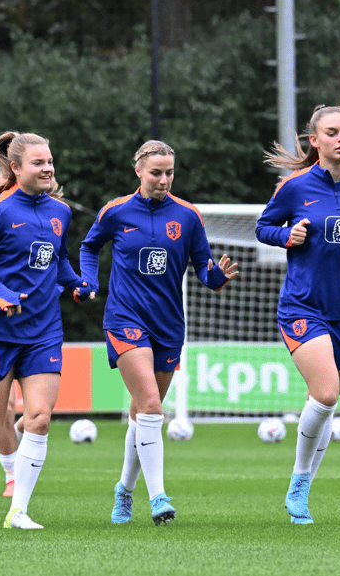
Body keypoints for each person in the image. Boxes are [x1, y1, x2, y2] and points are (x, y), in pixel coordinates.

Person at [78, 140, 237, 526]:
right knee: (151, 405)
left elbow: (204, 267)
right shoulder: (116, 211)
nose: (163, 179)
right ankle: (159, 497)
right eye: (156, 172)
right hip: (125, 319)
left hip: (168, 325)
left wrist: (218, 277)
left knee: (141, 414)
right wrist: (87, 279)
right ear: (139, 171)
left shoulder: (187, 216)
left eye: (169, 173)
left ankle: (124, 491)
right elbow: (88, 247)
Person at [0, 132, 92, 529]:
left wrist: (75, 283)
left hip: (44, 331)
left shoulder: (60, 212)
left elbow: (57, 262)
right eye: (38, 163)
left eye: (50, 162)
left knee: (40, 419)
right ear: (16, 168)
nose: (47, 169)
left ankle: (18, 511)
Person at [256, 105, 340, 524]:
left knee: (325, 404)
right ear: (316, 140)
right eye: (332, 132)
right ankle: (298, 483)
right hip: (303, 306)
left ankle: (302, 490)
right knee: (327, 393)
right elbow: (263, 227)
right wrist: (285, 235)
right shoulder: (295, 188)